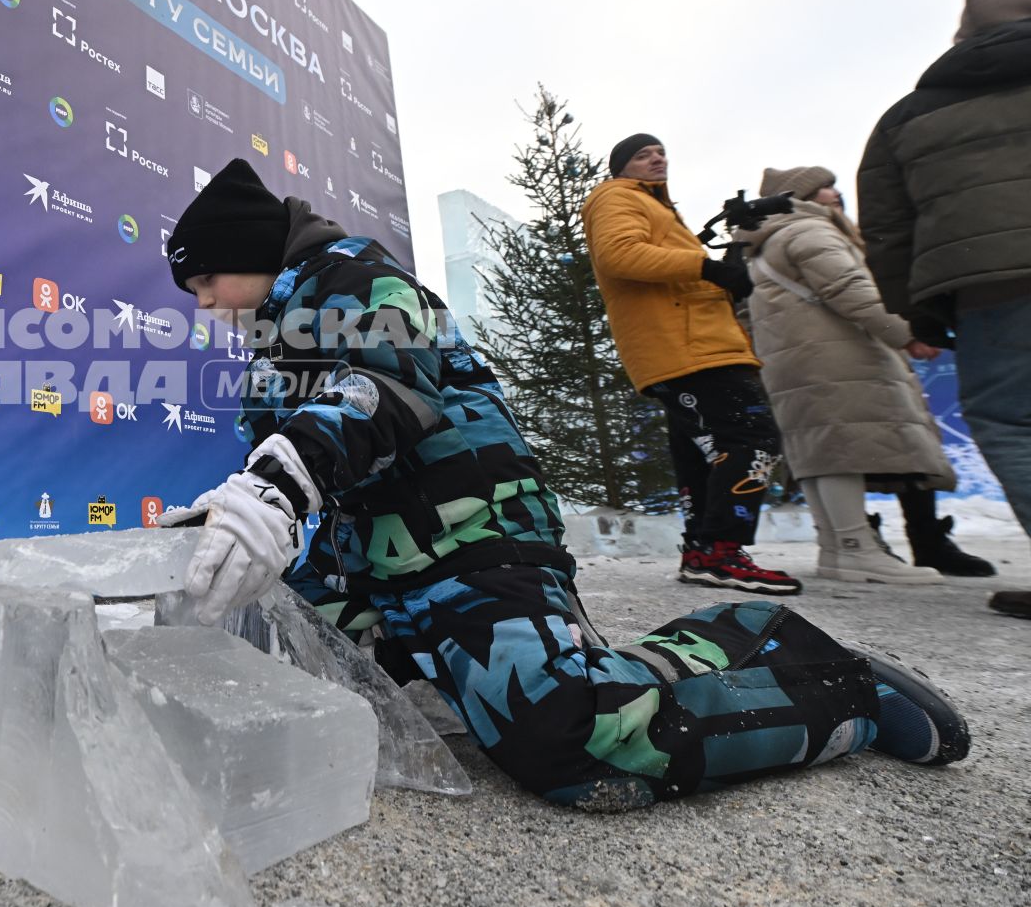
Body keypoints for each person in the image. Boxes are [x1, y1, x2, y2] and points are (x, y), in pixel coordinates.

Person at [158, 159, 968, 811]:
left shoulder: (355, 278)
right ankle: (428, 667)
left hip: (466, 545)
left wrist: (277, 484)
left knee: (569, 737)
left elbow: (382, 390)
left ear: (253, 254)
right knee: (264, 681)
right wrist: (237, 520)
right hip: (365, 570)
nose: (203, 306)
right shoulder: (271, 357)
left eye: (205, 283)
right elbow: (285, 461)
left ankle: (811, 669)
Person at [858, 0, 1031, 610]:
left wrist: (916, 314)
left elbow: (889, 227)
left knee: (1012, 421)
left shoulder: (909, 116)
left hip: (993, 286)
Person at [735, 165, 993, 583]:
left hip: (790, 359)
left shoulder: (763, 245)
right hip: (837, 354)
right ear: (799, 196)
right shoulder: (809, 232)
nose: (835, 194)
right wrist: (907, 334)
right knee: (841, 447)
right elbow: (851, 289)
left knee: (815, 450)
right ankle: (857, 548)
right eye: (824, 188)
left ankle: (837, 548)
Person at [580, 135, 798, 594]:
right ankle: (721, 550)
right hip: (687, 347)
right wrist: (709, 268)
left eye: (661, 152)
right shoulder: (616, 196)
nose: (657, 158)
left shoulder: (654, 207)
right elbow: (619, 255)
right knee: (751, 438)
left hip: (691, 344)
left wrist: (732, 251)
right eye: (643, 154)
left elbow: (675, 272)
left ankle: (704, 552)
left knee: (707, 454)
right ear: (621, 167)